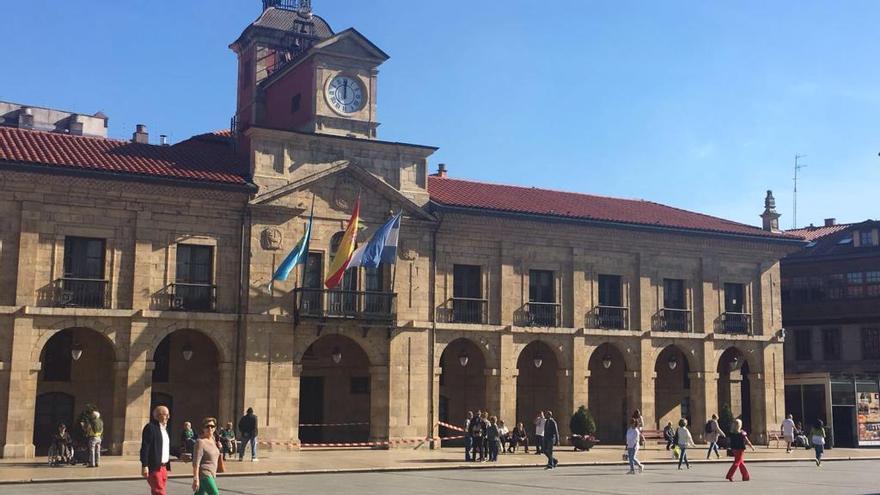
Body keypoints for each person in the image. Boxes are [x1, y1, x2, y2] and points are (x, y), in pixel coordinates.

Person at [141, 405, 172, 495]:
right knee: (160, 491)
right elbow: (145, 447)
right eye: (166, 414)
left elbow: (165, 447)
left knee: (156, 492)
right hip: (154, 466)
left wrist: (179, 454)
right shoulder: (150, 427)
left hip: (164, 467)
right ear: (158, 416)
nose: (168, 417)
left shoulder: (165, 430)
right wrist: (145, 465)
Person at [192, 417, 221, 495]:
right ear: (203, 428)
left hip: (212, 473)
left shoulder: (214, 440)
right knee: (215, 493)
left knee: (199, 493)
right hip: (204, 474)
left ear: (215, 428)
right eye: (207, 426)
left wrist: (219, 448)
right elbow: (196, 462)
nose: (210, 428)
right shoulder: (200, 442)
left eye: (212, 426)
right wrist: (196, 478)